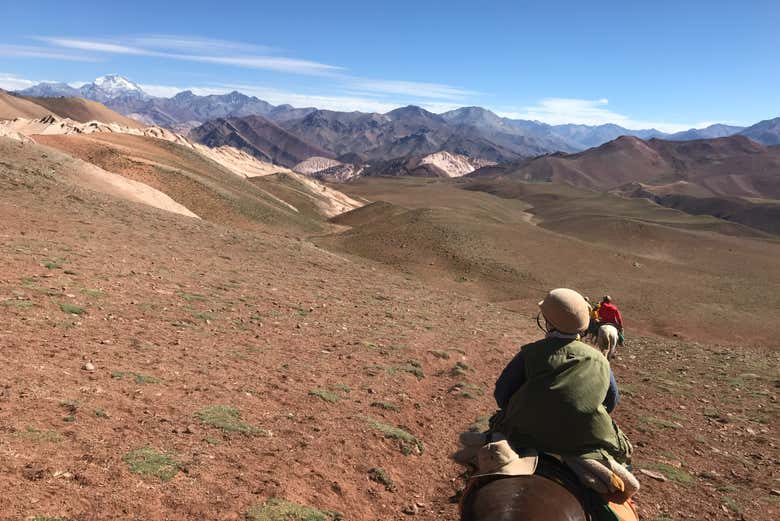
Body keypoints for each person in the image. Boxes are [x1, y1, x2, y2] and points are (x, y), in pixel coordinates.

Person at [490, 288, 632, 466]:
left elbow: (502, 393)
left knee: (484, 454)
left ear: (549, 322)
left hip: (525, 433)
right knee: (622, 465)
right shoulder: (600, 360)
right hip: (584, 439)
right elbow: (612, 401)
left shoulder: (530, 352)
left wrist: (519, 412)